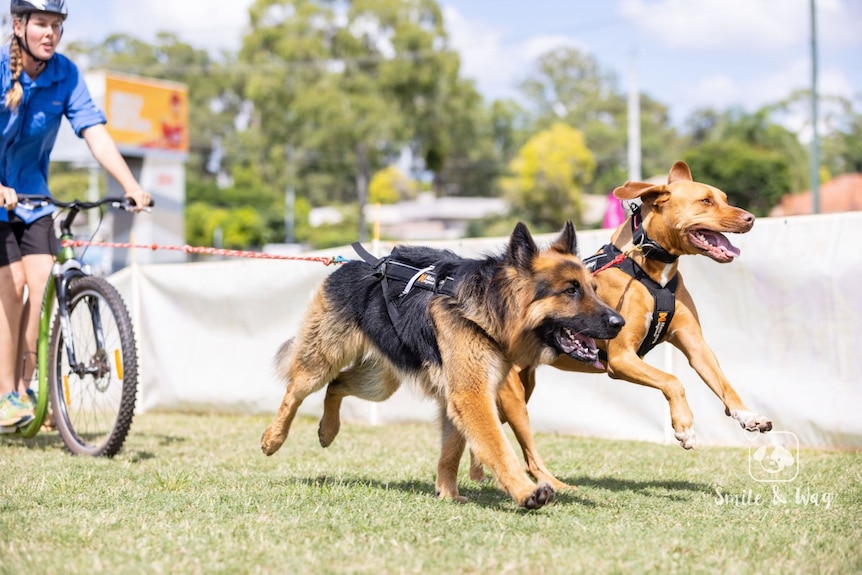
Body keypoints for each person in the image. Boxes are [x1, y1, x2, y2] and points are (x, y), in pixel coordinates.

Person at [0, 0, 151, 431]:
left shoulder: (65, 74)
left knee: (43, 285)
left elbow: (95, 134)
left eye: (56, 25)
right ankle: (4, 392)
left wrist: (130, 186)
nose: (49, 33)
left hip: (33, 201)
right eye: (41, 24)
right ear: (19, 26)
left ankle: (23, 391)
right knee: (10, 289)